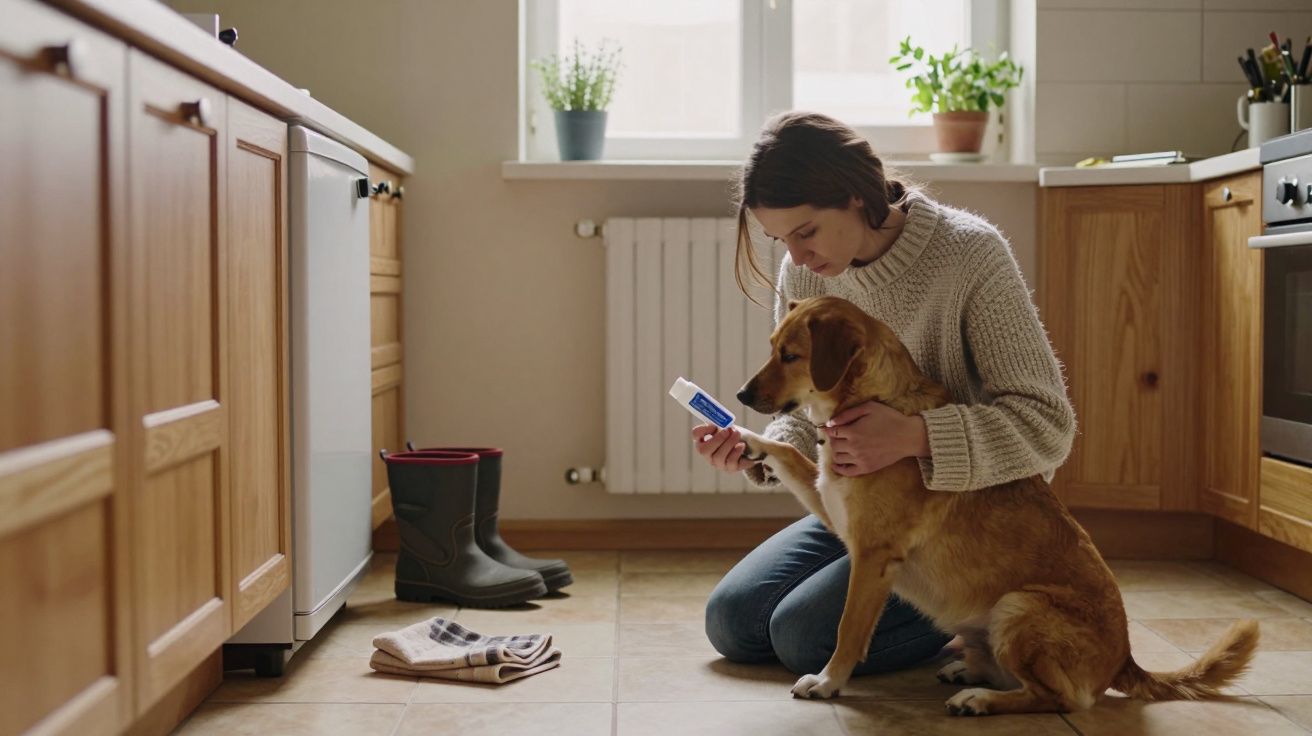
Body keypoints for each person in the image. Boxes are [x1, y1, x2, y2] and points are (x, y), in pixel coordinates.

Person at [694, 111, 1077, 678]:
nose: (795, 257)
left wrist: (915, 436)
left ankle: (969, 622)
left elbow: (1047, 425)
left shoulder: (970, 255)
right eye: (780, 239)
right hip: (864, 504)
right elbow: (807, 407)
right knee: (733, 623)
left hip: (959, 531)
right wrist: (761, 447)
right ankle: (925, 625)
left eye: (805, 233)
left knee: (801, 638)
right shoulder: (806, 274)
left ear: (854, 196)